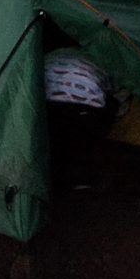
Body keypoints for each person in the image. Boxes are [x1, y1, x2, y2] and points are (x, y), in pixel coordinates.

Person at [44, 47, 128, 190]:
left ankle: (53, 174)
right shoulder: (105, 58)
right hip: (86, 110)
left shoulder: (54, 53)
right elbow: (118, 92)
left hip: (50, 105)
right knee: (83, 140)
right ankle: (81, 181)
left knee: (58, 137)